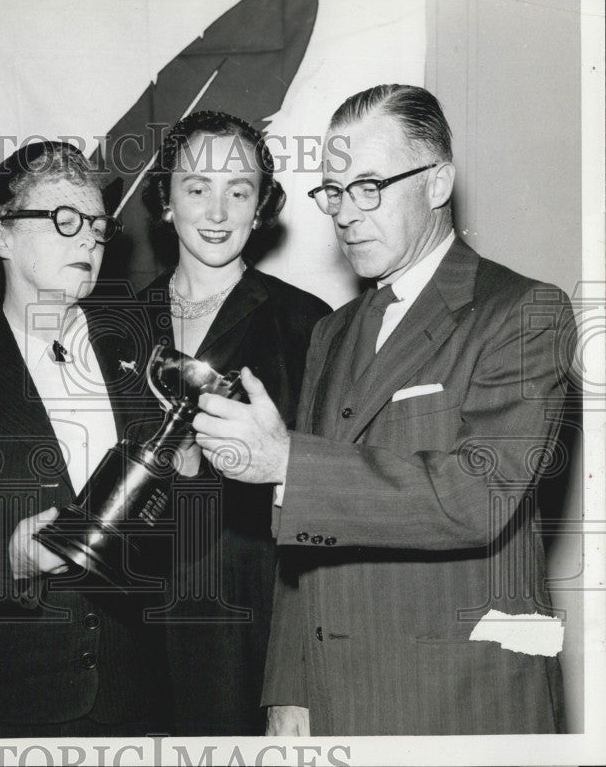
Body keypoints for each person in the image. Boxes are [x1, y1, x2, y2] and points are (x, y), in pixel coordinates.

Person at [192, 84, 575, 735]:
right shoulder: (332, 333)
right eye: (334, 191)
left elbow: (480, 493)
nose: (345, 213)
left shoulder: (524, 312)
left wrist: (286, 459)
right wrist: (290, 689)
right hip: (338, 704)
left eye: (369, 186)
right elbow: (302, 537)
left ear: (437, 182)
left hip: (459, 704)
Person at [0, 141, 169, 737]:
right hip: (0, 706)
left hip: (136, 701)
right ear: (0, 235)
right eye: (65, 220)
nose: (90, 239)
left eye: (99, 224)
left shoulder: (143, 352)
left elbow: (183, 532)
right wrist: (10, 560)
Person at [137, 109, 329, 735]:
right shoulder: (112, 323)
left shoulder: (307, 325)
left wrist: (293, 681)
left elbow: (323, 516)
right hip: (133, 635)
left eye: (238, 191)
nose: (218, 212)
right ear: (166, 202)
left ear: (260, 206)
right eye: (197, 189)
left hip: (250, 633)